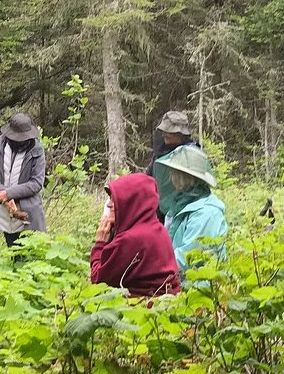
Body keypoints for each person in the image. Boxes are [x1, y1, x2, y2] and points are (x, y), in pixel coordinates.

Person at [90, 173, 180, 297]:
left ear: (131, 202)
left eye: (115, 200)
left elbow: (98, 280)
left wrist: (100, 243)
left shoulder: (131, 239)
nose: (109, 205)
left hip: (143, 310)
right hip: (166, 306)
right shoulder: (157, 228)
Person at [153, 144, 227, 273]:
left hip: (201, 286)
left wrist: (153, 266)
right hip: (179, 281)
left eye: (174, 173)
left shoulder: (206, 212)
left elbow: (190, 255)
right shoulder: (180, 204)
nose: (171, 178)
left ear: (187, 177)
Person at [0, 112, 46, 246]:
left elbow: (36, 183)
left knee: (28, 253)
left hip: (27, 212)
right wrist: (4, 195)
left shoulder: (37, 150)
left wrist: (10, 193)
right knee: (12, 247)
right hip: (4, 209)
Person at [145, 109, 200, 219]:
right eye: (164, 130)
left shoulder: (191, 153)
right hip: (159, 209)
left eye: (169, 131)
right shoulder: (160, 152)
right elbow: (149, 177)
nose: (164, 134)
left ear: (181, 134)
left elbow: (197, 186)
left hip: (183, 209)